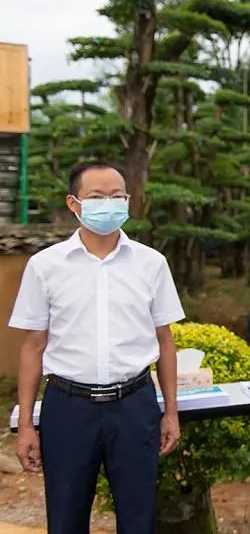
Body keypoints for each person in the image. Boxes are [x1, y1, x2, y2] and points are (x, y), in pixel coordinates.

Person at [10, 161, 184, 534]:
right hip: (67, 408)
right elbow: (32, 347)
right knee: (66, 517)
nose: (109, 204)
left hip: (134, 405)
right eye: (96, 197)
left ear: (128, 200)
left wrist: (170, 412)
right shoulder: (45, 266)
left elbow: (165, 341)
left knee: (138, 518)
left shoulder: (152, 264)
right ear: (74, 203)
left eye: (117, 196)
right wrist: (26, 425)